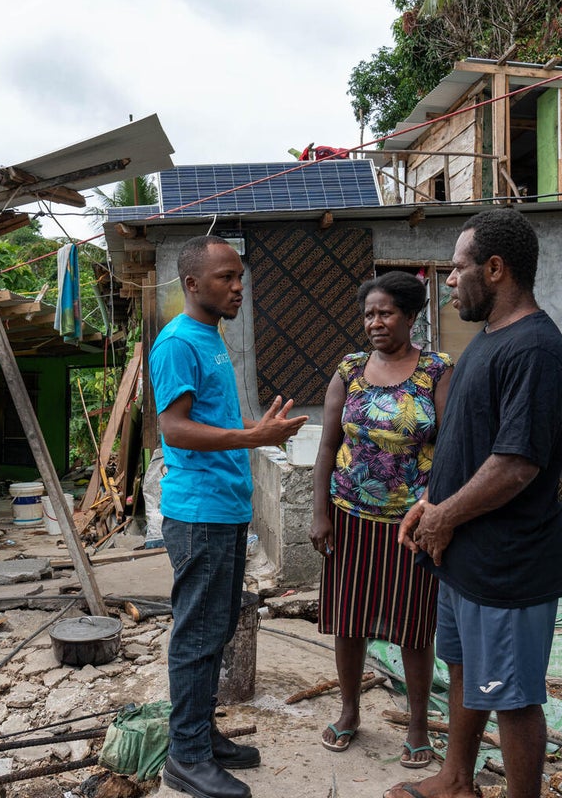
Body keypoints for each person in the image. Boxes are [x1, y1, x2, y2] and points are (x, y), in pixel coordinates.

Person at [385, 209, 562, 798]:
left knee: (513, 698)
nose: (447, 281)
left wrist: (445, 514)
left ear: (495, 269)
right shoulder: (488, 341)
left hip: (509, 562)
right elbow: (470, 445)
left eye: (457, 268)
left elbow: (516, 464)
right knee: (465, 672)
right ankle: (456, 781)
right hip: (466, 553)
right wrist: (429, 502)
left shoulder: (536, 349)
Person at [149, 235, 308, 798]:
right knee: (197, 634)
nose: (239, 287)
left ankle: (201, 734)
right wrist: (252, 435)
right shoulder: (177, 342)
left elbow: (208, 417)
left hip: (223, 508)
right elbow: (174, 428)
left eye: (240, 276)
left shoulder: (210, 336)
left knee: (215, 629)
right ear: (192, 285)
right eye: (225, 278)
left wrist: (252, 430)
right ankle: (186, 757)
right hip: (199, 514)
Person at [309, 271, 452, 768]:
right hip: (349, 518)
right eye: (369, 313)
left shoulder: (436, 370)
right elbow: (329, 444)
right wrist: (319, 512)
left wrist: (435, 509)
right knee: (349, 623)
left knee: (414, 626)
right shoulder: (349, 370)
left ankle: (416, 723)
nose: (375, 322)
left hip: (411, 526)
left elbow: (451, 446)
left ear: (411, 317)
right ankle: (349, 711)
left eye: (386, 312)